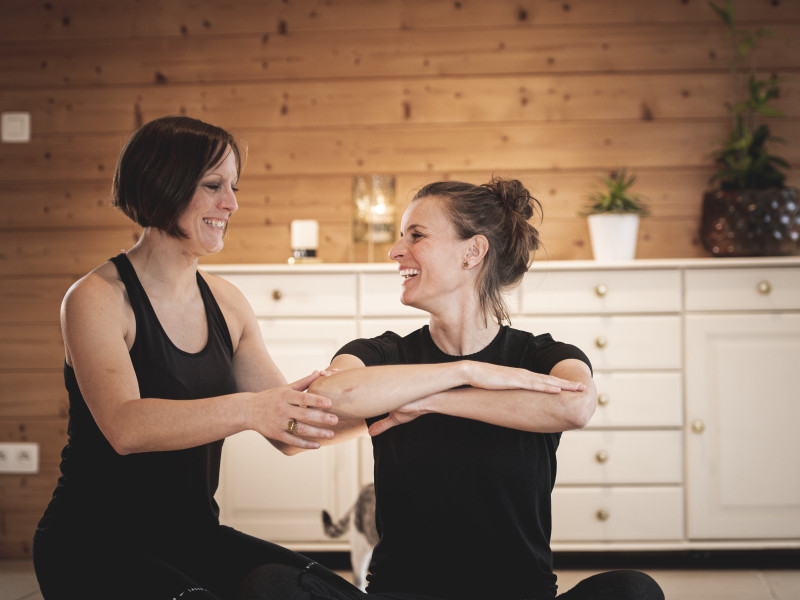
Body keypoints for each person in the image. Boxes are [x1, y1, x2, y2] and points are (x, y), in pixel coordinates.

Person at [242, 178, 664, 600]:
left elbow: (576, 406)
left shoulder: (541, 356)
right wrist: (465, 371)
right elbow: (330, 397)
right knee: (272, 584)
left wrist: (431, 401)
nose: (395, 251)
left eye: (417, 236)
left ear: (472, 252)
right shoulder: (382, 354)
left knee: (633, 590)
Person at [32, 116, 347, 600]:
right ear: (165, 185)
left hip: (193, 537)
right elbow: (126, 427)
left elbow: (291, 432)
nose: (231, 204)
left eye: (233, 187)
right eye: (213, 185)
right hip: (92, 544)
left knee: (320, 591)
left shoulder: (227, 303)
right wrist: (250, 409)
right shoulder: (96, 297)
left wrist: (413, 400)